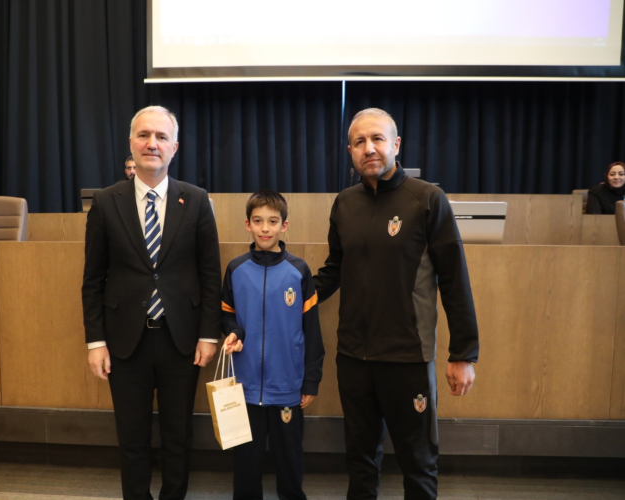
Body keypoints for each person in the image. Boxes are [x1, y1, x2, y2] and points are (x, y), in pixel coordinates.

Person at [314, 108, 479, 500]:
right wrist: (285, 295)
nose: (369, 148)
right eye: (359, 142)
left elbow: (455, 280)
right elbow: (334, 270)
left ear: (396, 144)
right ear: (350, 151)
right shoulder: (344, 203)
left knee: (418, 462)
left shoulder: (428, 199)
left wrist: (463, 354)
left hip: (408, 358)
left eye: (377, 139)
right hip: (353, 357)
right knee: (359, 461)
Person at [82, 105, 222, 500]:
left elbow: (210, 275)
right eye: (144, 135)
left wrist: (208, 335)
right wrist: (96, 342)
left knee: (178, 437)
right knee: (132, 439)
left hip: (182, 341)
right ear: (131, 143)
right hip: (125, 342)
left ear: (174, 147)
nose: (152, 144)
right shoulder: (106, 202)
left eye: (161, 137)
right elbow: (93, 280)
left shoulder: (196, 200)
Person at [221, 190, 325, 500]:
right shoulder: (236, 269)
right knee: (246, 465)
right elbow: (226, 315)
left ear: (284, 225)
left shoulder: (299, 271)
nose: (265, 228)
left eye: (272, 221)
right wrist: (234, 332)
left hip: (287, 387)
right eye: (257, 221)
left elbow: (312, 332)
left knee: (289, 462)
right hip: (245, 386)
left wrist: (310, 380)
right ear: (247, 224)